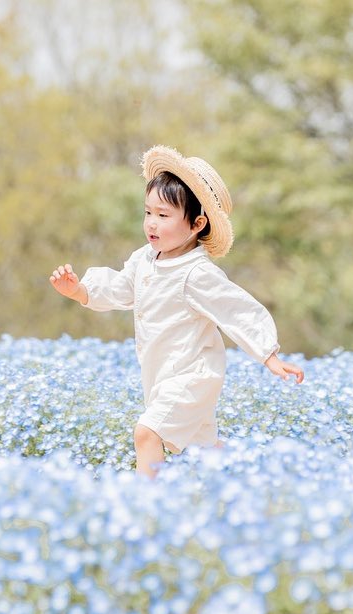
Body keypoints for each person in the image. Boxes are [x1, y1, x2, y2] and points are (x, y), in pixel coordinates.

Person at [49, 145, 305, 479]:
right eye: (148, 212)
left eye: (164, 215)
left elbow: (236, 310)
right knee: (205, 450)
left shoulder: (196, 273)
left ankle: (147, 503)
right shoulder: (144, 259)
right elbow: (122, 288)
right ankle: (253, 478)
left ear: (197, 223)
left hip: (193, 375)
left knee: (147, 433)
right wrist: (79, 290)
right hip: (160, 374)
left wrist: (269, 355)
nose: (151, 224)